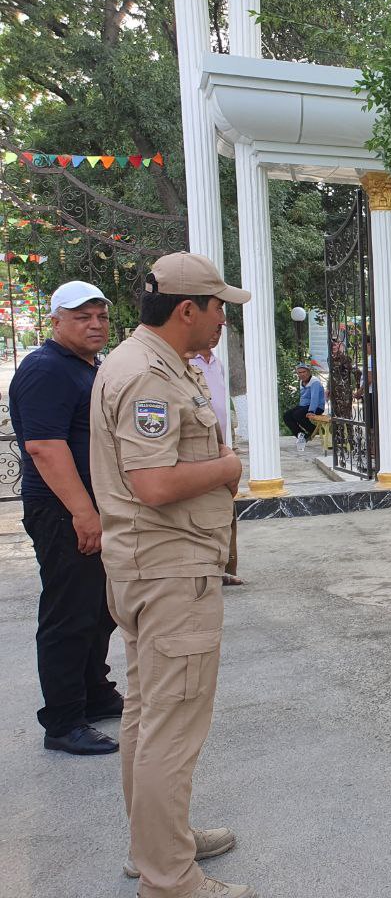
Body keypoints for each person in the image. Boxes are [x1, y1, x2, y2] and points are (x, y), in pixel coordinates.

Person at [89, 251, 254, 898]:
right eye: (218, 308)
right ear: (188, 309)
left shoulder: (151, 363)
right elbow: (154, 483)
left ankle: (155, 845)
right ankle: (168, 880)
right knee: (172, 725)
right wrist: (227, 468)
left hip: (148, 565)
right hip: (167, 567)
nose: (222, 321)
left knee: (149, 714)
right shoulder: (147, 376)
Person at [10, 280, 123, 755]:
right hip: (63, 511)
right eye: (82, 317)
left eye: (100, 316)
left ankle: (93, 692)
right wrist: (84, 514)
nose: (95, 324)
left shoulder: (87, 368)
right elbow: (44, 447)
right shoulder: (45, 369)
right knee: (69, 615)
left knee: (98, 610)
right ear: (55, 320)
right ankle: (63, 720)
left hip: (89, 507)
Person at [189, 326, 242, 587]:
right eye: (210, 328)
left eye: (219, 329)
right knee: (205, 515)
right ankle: (206, 569)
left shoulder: (216, 363)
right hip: (200, 452)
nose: (215, 334)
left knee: (225, 512)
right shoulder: (187, 363)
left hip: (220, 448)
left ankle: (224, 567)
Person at [282, 364, 325, 447]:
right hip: (304, 406)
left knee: (297, 414)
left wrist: (311, 411)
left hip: (317, 407)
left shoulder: (314, 382)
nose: (302, 374)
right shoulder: (302, 382)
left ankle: (314, 430)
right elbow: (303, 398)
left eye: (304, 372)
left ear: (309, 372)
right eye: (299, 372)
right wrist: (298, 408)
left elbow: (314, 398)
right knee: (287, 415)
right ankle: (301, 435)